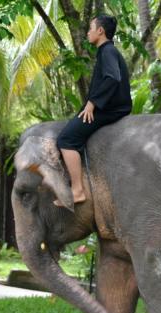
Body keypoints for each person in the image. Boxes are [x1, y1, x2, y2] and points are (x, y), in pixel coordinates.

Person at [55, 14, 132, 207]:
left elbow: (113, 78)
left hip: (110, 109)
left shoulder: (108, 51)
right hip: (109, 107)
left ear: (100, 31)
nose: (88, 32)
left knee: (66, 139)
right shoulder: (106, 51)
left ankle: (77, 191)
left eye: (91, 28)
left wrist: (92, 104)